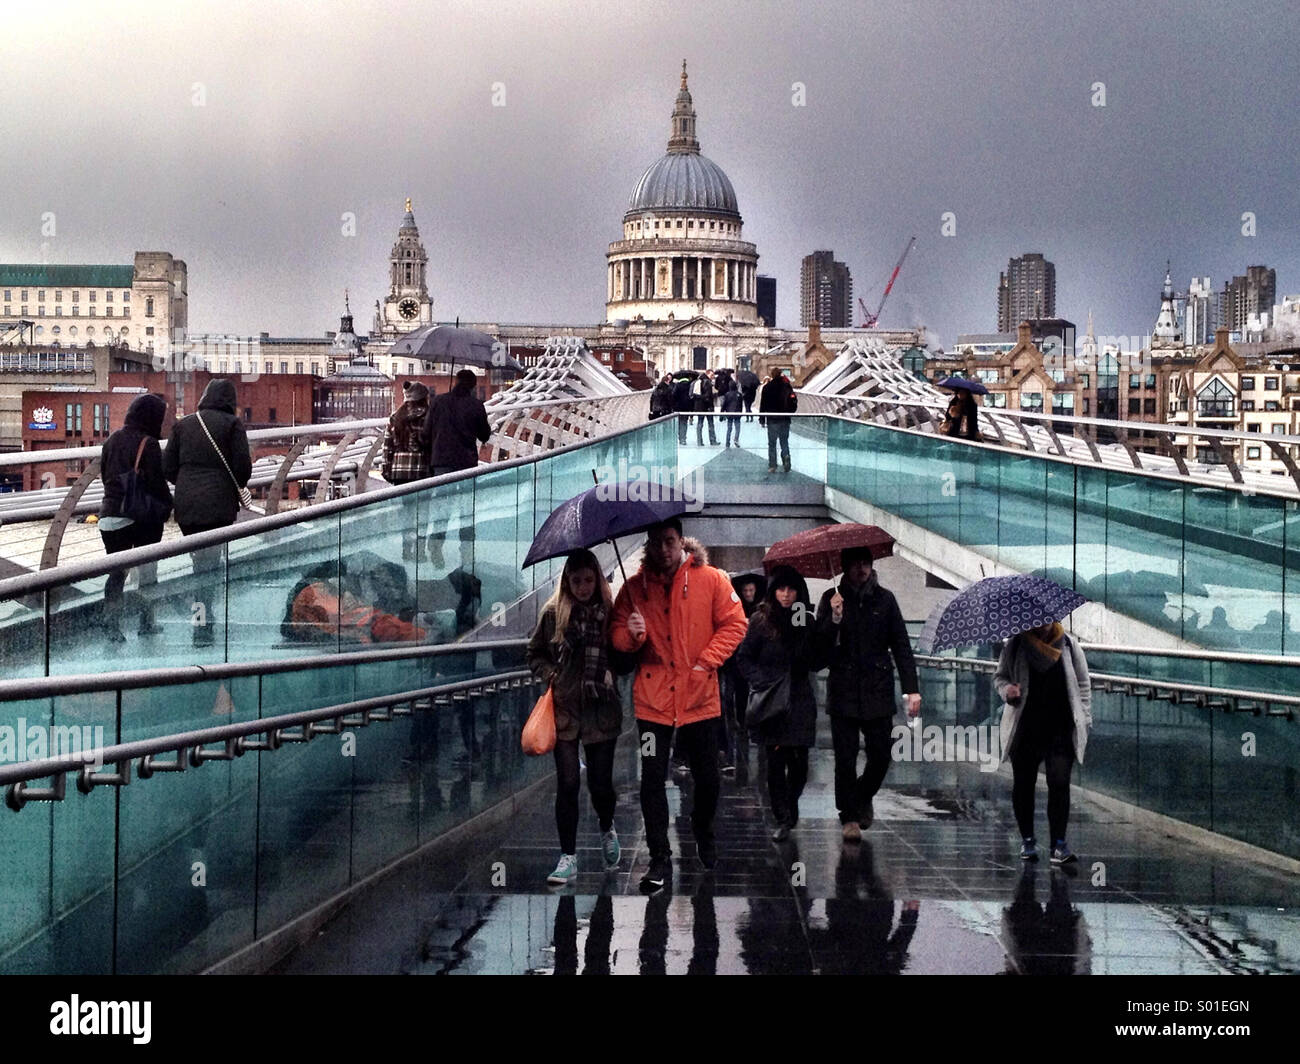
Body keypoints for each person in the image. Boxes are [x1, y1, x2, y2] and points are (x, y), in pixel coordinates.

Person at [611, 518, 748, 892]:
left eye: (669, 541)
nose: (663, 550)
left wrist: (706, 661)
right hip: (653, 702)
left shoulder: (711, 579)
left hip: (698, 696)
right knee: (652, 779)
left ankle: (702, 828)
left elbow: (735, 623)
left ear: (681, 541)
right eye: (656, 542)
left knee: (708, 777)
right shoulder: (634, 589)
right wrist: (632, 637)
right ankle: (659, 859)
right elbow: (617, 633)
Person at [526, 549, 624, 885]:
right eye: (576, 581)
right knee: (568, 782)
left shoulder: (612, 613)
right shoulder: (554, 614)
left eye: (588, 580)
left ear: (597, 580)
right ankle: (568, 857)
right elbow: (534, 652)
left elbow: (626, 656)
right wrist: (551, 673)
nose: (583, 587)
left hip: (601, 708)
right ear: (567, 582)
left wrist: (619, 661)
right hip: (566, 708)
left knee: (600, 786)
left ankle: (607, 827)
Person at [812, 546, 920, 840]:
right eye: (856, 564)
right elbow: (818, 655)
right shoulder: (830, 599)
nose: (862, 569)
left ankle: (860, 797)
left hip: (878, 689)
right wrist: (833, 621)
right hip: (844, 690)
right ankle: (849, 817)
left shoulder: (885, 600)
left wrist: (912, 689)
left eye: (866, 563)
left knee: (881, 755)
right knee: (845, 759)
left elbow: (901, 645)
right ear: (845, 568)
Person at [162, 378, 252, 647]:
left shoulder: (184, 424)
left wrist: (189, 484)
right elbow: (243, 470)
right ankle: (204, 621)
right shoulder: (233, 425)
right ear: (230, 400)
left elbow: (167, 468)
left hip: (187, 505)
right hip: (219, 505)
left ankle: (202, 619)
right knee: (209, 564)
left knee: (198, 563)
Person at [994, 620, 1091, 864]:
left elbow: (1083, 684)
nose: (1045, 624)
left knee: (1060, 782)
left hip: (1061, 726)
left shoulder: (1069, 645)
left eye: (1049, 618)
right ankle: (1028, 840)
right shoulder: (1016, 644)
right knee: (1024, 784)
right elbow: (1000, 677)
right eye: (1040, 620)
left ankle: (1059, 844)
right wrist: (1007, 691)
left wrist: (1085, 718)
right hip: (1026, 727)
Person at [735, 565, 817, 841]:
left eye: (791, 588)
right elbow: (744, 657)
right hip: (772, 701)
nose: (785, 594)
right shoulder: (761, 620)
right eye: (781, 588)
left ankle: (791, 803)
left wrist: (832, 623)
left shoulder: (805, 619)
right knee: (775, 760)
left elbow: (817, 657)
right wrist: (760, 681)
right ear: (772, 591)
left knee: (800, 763)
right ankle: (782, 816)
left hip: (799, 698)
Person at [97, 393, 172, 642]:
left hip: (108, 517)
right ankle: (146, 622)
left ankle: (111, 624)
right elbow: (155, 484)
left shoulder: (111, 441)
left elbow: (105, 474)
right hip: (138, 518)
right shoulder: (148, 444)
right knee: (148, 571)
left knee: (116, 573)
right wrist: (168, 505)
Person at [420, 368, 491, 569]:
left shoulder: (438, 402)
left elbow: (426, 432)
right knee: (467, 510)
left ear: (456, 381)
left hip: (441, 462)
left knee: (443, 507)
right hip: (466, 464)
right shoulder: (476, 405)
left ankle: (435, 546)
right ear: (473, 386)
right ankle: (467, 554)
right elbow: (484, 435)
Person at [281, 552, 426, 644]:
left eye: (396, 589)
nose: (394, 592)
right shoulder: (318, 594)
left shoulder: (340, 594)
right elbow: (370, 622)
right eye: (388, 586)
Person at [382, 381, 432, 483]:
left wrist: (387, 471)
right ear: (424, 398)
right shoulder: (429, 416)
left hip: (398, 470)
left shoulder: (395, 418)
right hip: (421, 470)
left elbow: (387, 448)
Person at [759, 370, 797, 473]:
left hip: (772, 419)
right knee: (784, 441)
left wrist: (762, 418)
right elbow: (793, 401)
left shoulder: (767, 387)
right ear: (780, 374)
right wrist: (790, 412)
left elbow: (763, 404)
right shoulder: (786, 386)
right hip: (785, 418)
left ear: (772, 375)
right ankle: (786, 456)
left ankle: (772, 465)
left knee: (772, 443)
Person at [691, 370, 717, 446]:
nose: (713, 377)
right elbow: (708, 395)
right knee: (710, 424)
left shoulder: (698, 381)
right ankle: (712, 440)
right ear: (708, 374)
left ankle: (699, 441)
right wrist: (714, 395)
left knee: (700, 423)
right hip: (707, 406)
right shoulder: (707, 382)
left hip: (699, 406)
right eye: (712, 375)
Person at [720, 376, 743, 447]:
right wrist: (740, 412)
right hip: (737, 412)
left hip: (729, 412)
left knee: (729, 428)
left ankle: (727, 441)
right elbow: (741, 405)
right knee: (737, 427)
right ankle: (736, 439)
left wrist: (721, 413)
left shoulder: (727, 394)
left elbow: (724, 405)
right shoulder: (739, 394)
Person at [671, 374, 693, 444]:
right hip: (687, 406)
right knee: (684, 423)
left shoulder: (677, 385)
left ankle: (679, 436)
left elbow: (673, 395)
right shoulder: (690, 385)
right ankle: (683, 438)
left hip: (678, 407)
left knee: (679, 422)